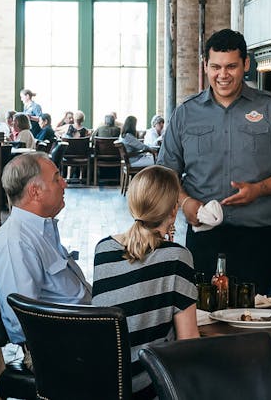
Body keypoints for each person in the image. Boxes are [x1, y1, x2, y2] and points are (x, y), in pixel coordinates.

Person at [158, 29, 271, 289]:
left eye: (231, 66)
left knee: (262, 323)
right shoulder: (185, 113)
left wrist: (258, 189)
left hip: (259, 241)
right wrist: (185, 203)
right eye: (215, 66)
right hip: (203, 241)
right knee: (203, 321)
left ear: (246, 64)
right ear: (205, 65)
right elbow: (165, 171)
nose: (223, 75)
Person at [93, 166, 199, 400]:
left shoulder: (103, 249)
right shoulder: (177, 257)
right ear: (174, 210)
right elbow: (189, 343)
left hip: (104, 383)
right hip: (148, 385)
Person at [0, 153, 91, 346]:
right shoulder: (15, 243)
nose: (64, 184)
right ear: (35, 192)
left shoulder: (39, 231)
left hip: (84, 325)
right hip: (65, 344)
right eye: (57, 179)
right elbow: (23, 322)